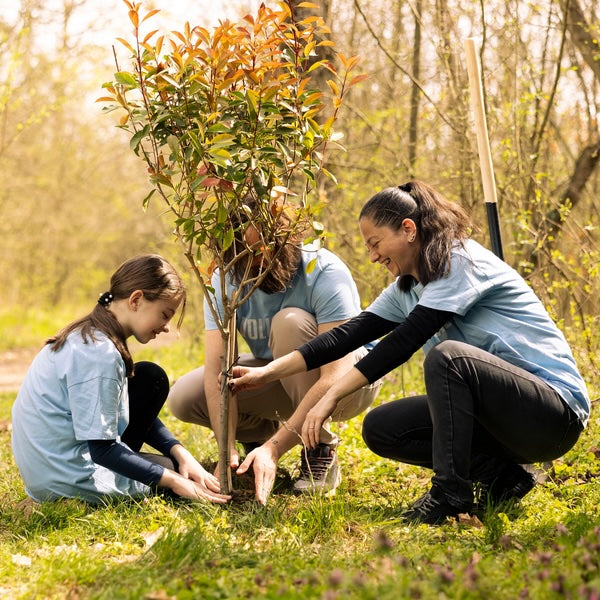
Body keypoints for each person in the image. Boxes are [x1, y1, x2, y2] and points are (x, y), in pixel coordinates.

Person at [228, 181, 590, 524]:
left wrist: (331, 395)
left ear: (408, 229)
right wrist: (268, 371)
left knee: (449, 358)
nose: (372, 257)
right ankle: (504, 476)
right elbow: (348, 335)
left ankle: (451, 495)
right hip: (503, 420)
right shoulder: (409, 285)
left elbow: (403, 343)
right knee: (382, 429)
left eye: (375, 243)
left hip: (552, 416)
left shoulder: (460, 261)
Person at [168, 200, 382, 504]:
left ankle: (318, 448)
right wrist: (224, 449)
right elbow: (219, 370)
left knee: (289, 323)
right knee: (185, 397)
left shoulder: (323, 270)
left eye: (264, 250)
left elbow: (336, 371)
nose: (258, 262)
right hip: (281, 378)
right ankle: (254, 440)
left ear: (286, 239)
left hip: (349, 382)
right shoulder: (226, 278)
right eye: (247, 255)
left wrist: (275, 450)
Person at [12, 254, 231, 505]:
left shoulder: (88, 335)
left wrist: (179, 452)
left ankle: (164, 466)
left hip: (48, 471)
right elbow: (102, 450)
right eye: (165, 314)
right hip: (66, 479)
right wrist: (173, 480)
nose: (166, 327)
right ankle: (83, 496)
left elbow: (119, 407)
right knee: (173, 477)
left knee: (149, 379)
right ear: (136, 299)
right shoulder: (100, 355)